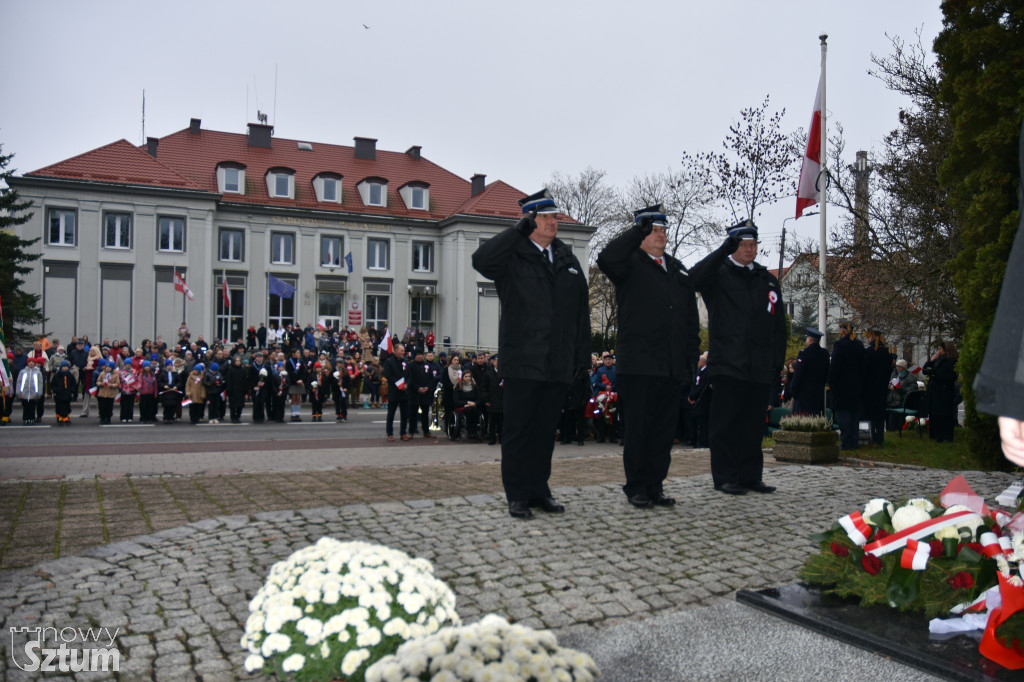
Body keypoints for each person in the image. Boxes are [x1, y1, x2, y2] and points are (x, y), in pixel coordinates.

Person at [472, 188, 590, 518]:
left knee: (543, 431)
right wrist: (516, 231)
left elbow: (581, 309)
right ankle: (517, 495)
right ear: (531, 221)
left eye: (555, 216)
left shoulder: (567, 257)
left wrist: (581, 358)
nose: (553, 221)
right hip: (523, 360)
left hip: (557, 361)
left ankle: (540, 489)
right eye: (546, 216)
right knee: (519, 431)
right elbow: (480, 261)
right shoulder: (512, 255)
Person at [597, 204, 700, 508]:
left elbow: (690, 320)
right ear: (642, 234)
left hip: (670, 366)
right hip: (640, 365)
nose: (661, 235)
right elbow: (606, 259)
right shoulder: (629, 263)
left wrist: (690, 360)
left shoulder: (678, 268)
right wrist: (636, 230)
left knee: (663, 432)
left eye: (664, 230)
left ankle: (655, 484)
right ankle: (637, 486)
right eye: (654, 230)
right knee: (639, 430)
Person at [689, 219, 787, 495]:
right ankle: (725, 477)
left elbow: (779, 326)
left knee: (753, 425)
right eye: (743, 244)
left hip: (759, 365)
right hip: (728, 364)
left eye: (753, 244)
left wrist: (776, 363)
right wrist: (723, 249)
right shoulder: (719, 274)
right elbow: (694, 278)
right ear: (733, 246)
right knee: (726, 424)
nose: (749, 249)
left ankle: (750, 476)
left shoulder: (766, 278)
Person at [828, 320, 865, 450]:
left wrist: (831, 382)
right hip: (856, 386)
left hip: (842, 387)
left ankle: (846, 441)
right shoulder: (859, 345)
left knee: (844, 415)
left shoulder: (840, 345)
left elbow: (835, 367)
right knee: (854, 416)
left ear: (843, 330)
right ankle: (854, 441)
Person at [862, 327, 894, 446]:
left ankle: (872, 436)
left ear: (873, 337)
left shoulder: (869, 351)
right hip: (882, 387)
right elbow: (889, 370)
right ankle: (880, 437)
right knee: (880, 414)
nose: (868, 339)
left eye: (869, 336)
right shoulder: (887, 352)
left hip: (870, 387)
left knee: (870, 413)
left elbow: (864, 370)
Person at [788, 328, 829, 416]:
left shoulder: (804, 353)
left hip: (804, 396)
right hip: (818, 395)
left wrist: (793, 390)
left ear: (809, 339)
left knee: (802, 423)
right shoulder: (824, 354)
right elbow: (827, 373)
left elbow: (798, 374)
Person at [923, 341, 959, 442]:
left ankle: (944, 436)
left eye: (940, 349)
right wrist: (931, 360)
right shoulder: (938, 360)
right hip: (934, 390)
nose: (939, 351)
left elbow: (951, 376)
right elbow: (925, 370)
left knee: (943, 414)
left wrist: (935, 374)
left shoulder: (952, 361)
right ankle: (935, 435)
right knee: (934, 413)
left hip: (944, 391)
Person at [383, 343, 410, 441]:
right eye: (401, 350)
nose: (403, 352)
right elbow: (388, 375)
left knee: (404, 414)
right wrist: (399, 385)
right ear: (395, 350)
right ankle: (389, 433)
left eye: (404, 350)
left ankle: (403, 433)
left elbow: (409, 375)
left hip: (404, 392)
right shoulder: (389, 362)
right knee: (391, 414)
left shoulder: (405, 362)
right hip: (394, 391)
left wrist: (406, 384)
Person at [407, 349, 436, 438]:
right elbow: (410, 379)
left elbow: (432, 379)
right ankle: (411, 432)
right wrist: (417, 388)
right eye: (418, 355)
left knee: (425, 413)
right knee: (413, 413)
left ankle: (426, 431)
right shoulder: (411, 366)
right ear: (415, 356)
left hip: (426, 392)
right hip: (415, 393)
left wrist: (428, 387)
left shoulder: (427, 365)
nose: (420, 356)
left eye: (421, 354)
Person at [16, 357, 45, 425]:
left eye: (32, 362)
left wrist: (39, 393)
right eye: (30, 362)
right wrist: (19, 392)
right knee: (25, 407)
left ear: (35, 363)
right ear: (27, 363)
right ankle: (25, 419)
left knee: (32, 407)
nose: (31, 363)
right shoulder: (23, 372)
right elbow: (19, 382)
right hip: (24, 393)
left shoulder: (38, 372)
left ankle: (31, 419)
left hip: (33, 394)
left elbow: (40, 383)